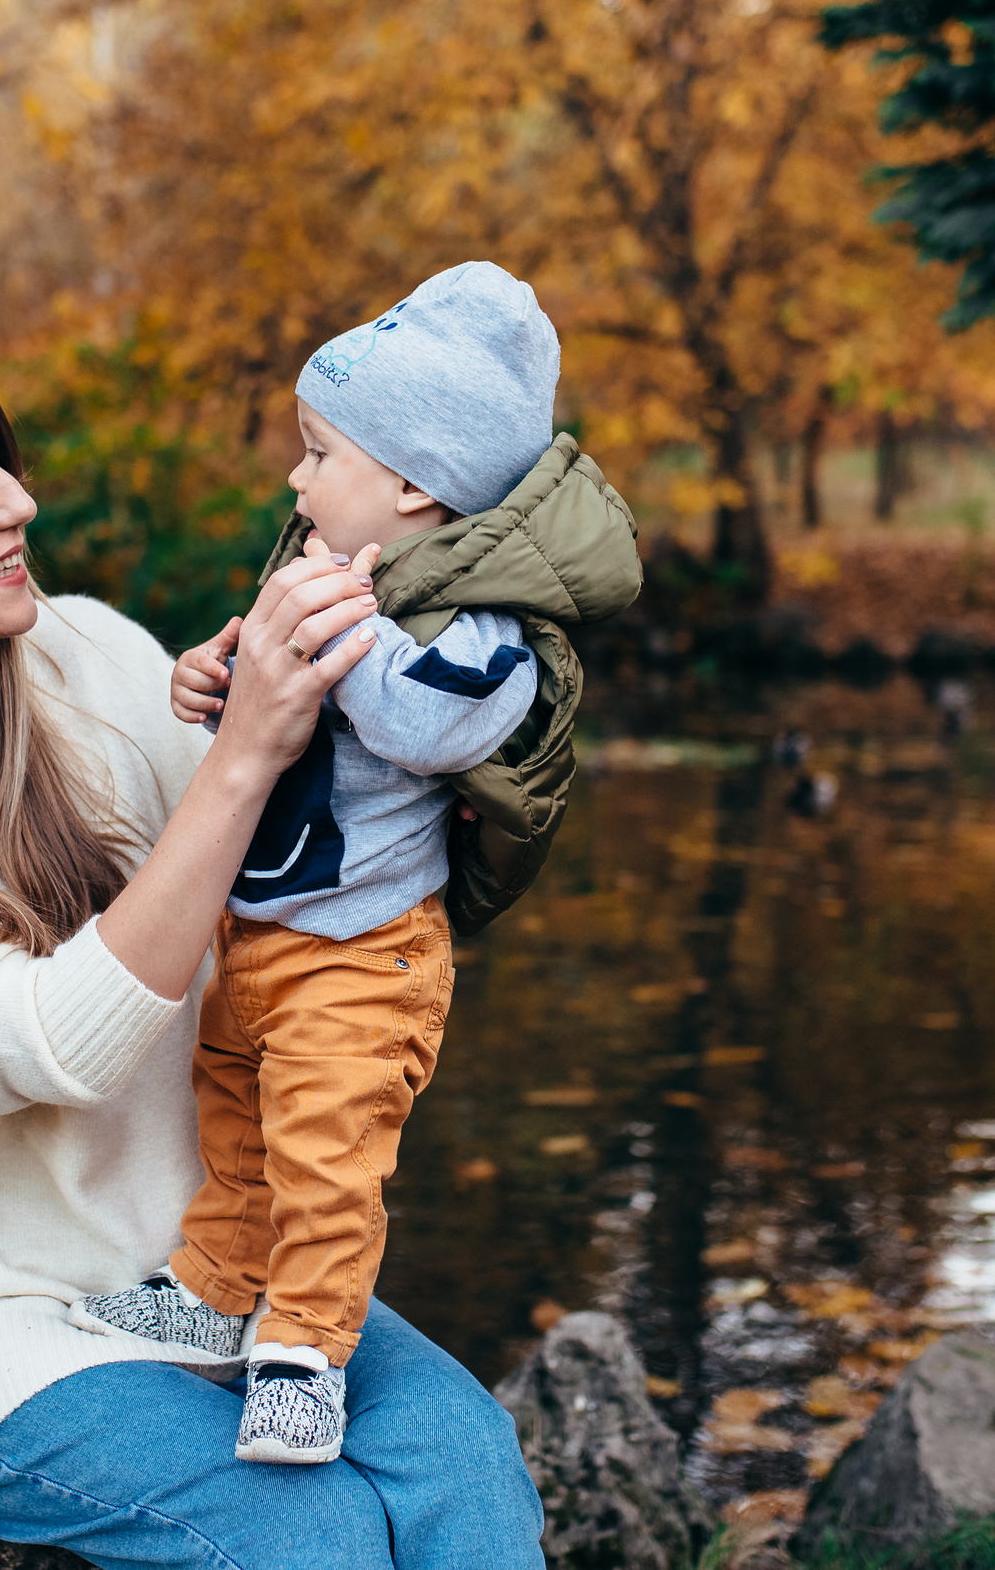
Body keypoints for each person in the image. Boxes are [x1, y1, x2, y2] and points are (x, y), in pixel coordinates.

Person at [0, 331, 545, 1568]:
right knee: (311, 1535)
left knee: (471, 1475)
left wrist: (437, 772)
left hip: (213, 1259)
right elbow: (41, 1044)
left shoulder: (86, 649)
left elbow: (283, 892)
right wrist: (243, 752)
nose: (18, 502)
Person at [66, 263, 642, 1464]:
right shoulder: (336, 574)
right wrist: (216, 675)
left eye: (319, 452)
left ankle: (304, 1354)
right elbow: (262, 695)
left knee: (327, 1154)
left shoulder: (483, 624)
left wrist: (342, 636)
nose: (295, 476)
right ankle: (215, 1290)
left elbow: (432, 723)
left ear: (414, 484)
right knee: (235, 1121)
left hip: (364, 955)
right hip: (259, 929)